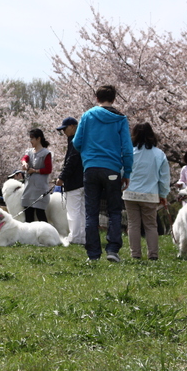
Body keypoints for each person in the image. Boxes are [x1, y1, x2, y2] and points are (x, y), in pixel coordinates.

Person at [72, 85, 134, 263]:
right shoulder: (120, 119)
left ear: (96, 98)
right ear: (114, 99)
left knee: (91, 212)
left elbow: (77, 142)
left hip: (91, 168)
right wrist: (127, 172)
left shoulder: (87, 115)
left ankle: (93, 254)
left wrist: (88, 154)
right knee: (114, 210)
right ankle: (112, 250)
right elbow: (127, 150)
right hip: (113, 169)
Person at [122, 123, 170, 260]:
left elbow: (121, 172)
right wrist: (163, 194)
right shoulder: (159, 154)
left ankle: (135, 254)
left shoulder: (129, 153)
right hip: (150, 195)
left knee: (133, 225)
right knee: (151, 225)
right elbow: (164, 177)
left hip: (130, 193)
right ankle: (153, 255)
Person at [55, 116, 85, 244]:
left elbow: (71, 161)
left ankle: (74, 237)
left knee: (73, 212)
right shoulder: (84, 138)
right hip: (84, 181)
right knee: (83, 211)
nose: (64, 132)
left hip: (74, 182)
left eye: (65, 128)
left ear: (72, 126)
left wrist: (62, 177)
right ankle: (84, 237)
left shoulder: (74, 141)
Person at [20, 128, 53, 223]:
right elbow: (24, 158)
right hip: (29, 189)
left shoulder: (46, 153)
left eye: (32, 138)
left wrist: (34, 170)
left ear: (38, 139)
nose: (30, 141)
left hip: (40, 188)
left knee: (40, 214)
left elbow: (48, 169)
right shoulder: (29, 151)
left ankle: (47, 235)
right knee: (28, 215)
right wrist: (24, 163)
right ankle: (28, 237)